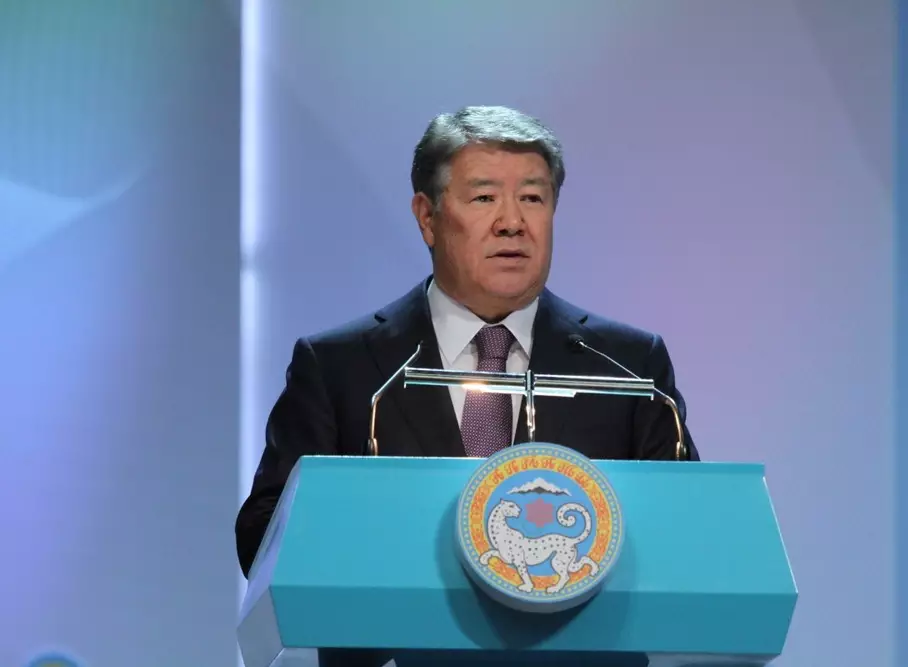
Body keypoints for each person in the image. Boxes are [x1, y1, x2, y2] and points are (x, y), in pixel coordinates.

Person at [236, 105, 699, 580]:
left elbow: (688, 533)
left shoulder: (628, 365)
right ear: (428, 217)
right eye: (484, 198)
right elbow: (263, 538)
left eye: (533, 198)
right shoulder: (340, 367)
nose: (512, 222)